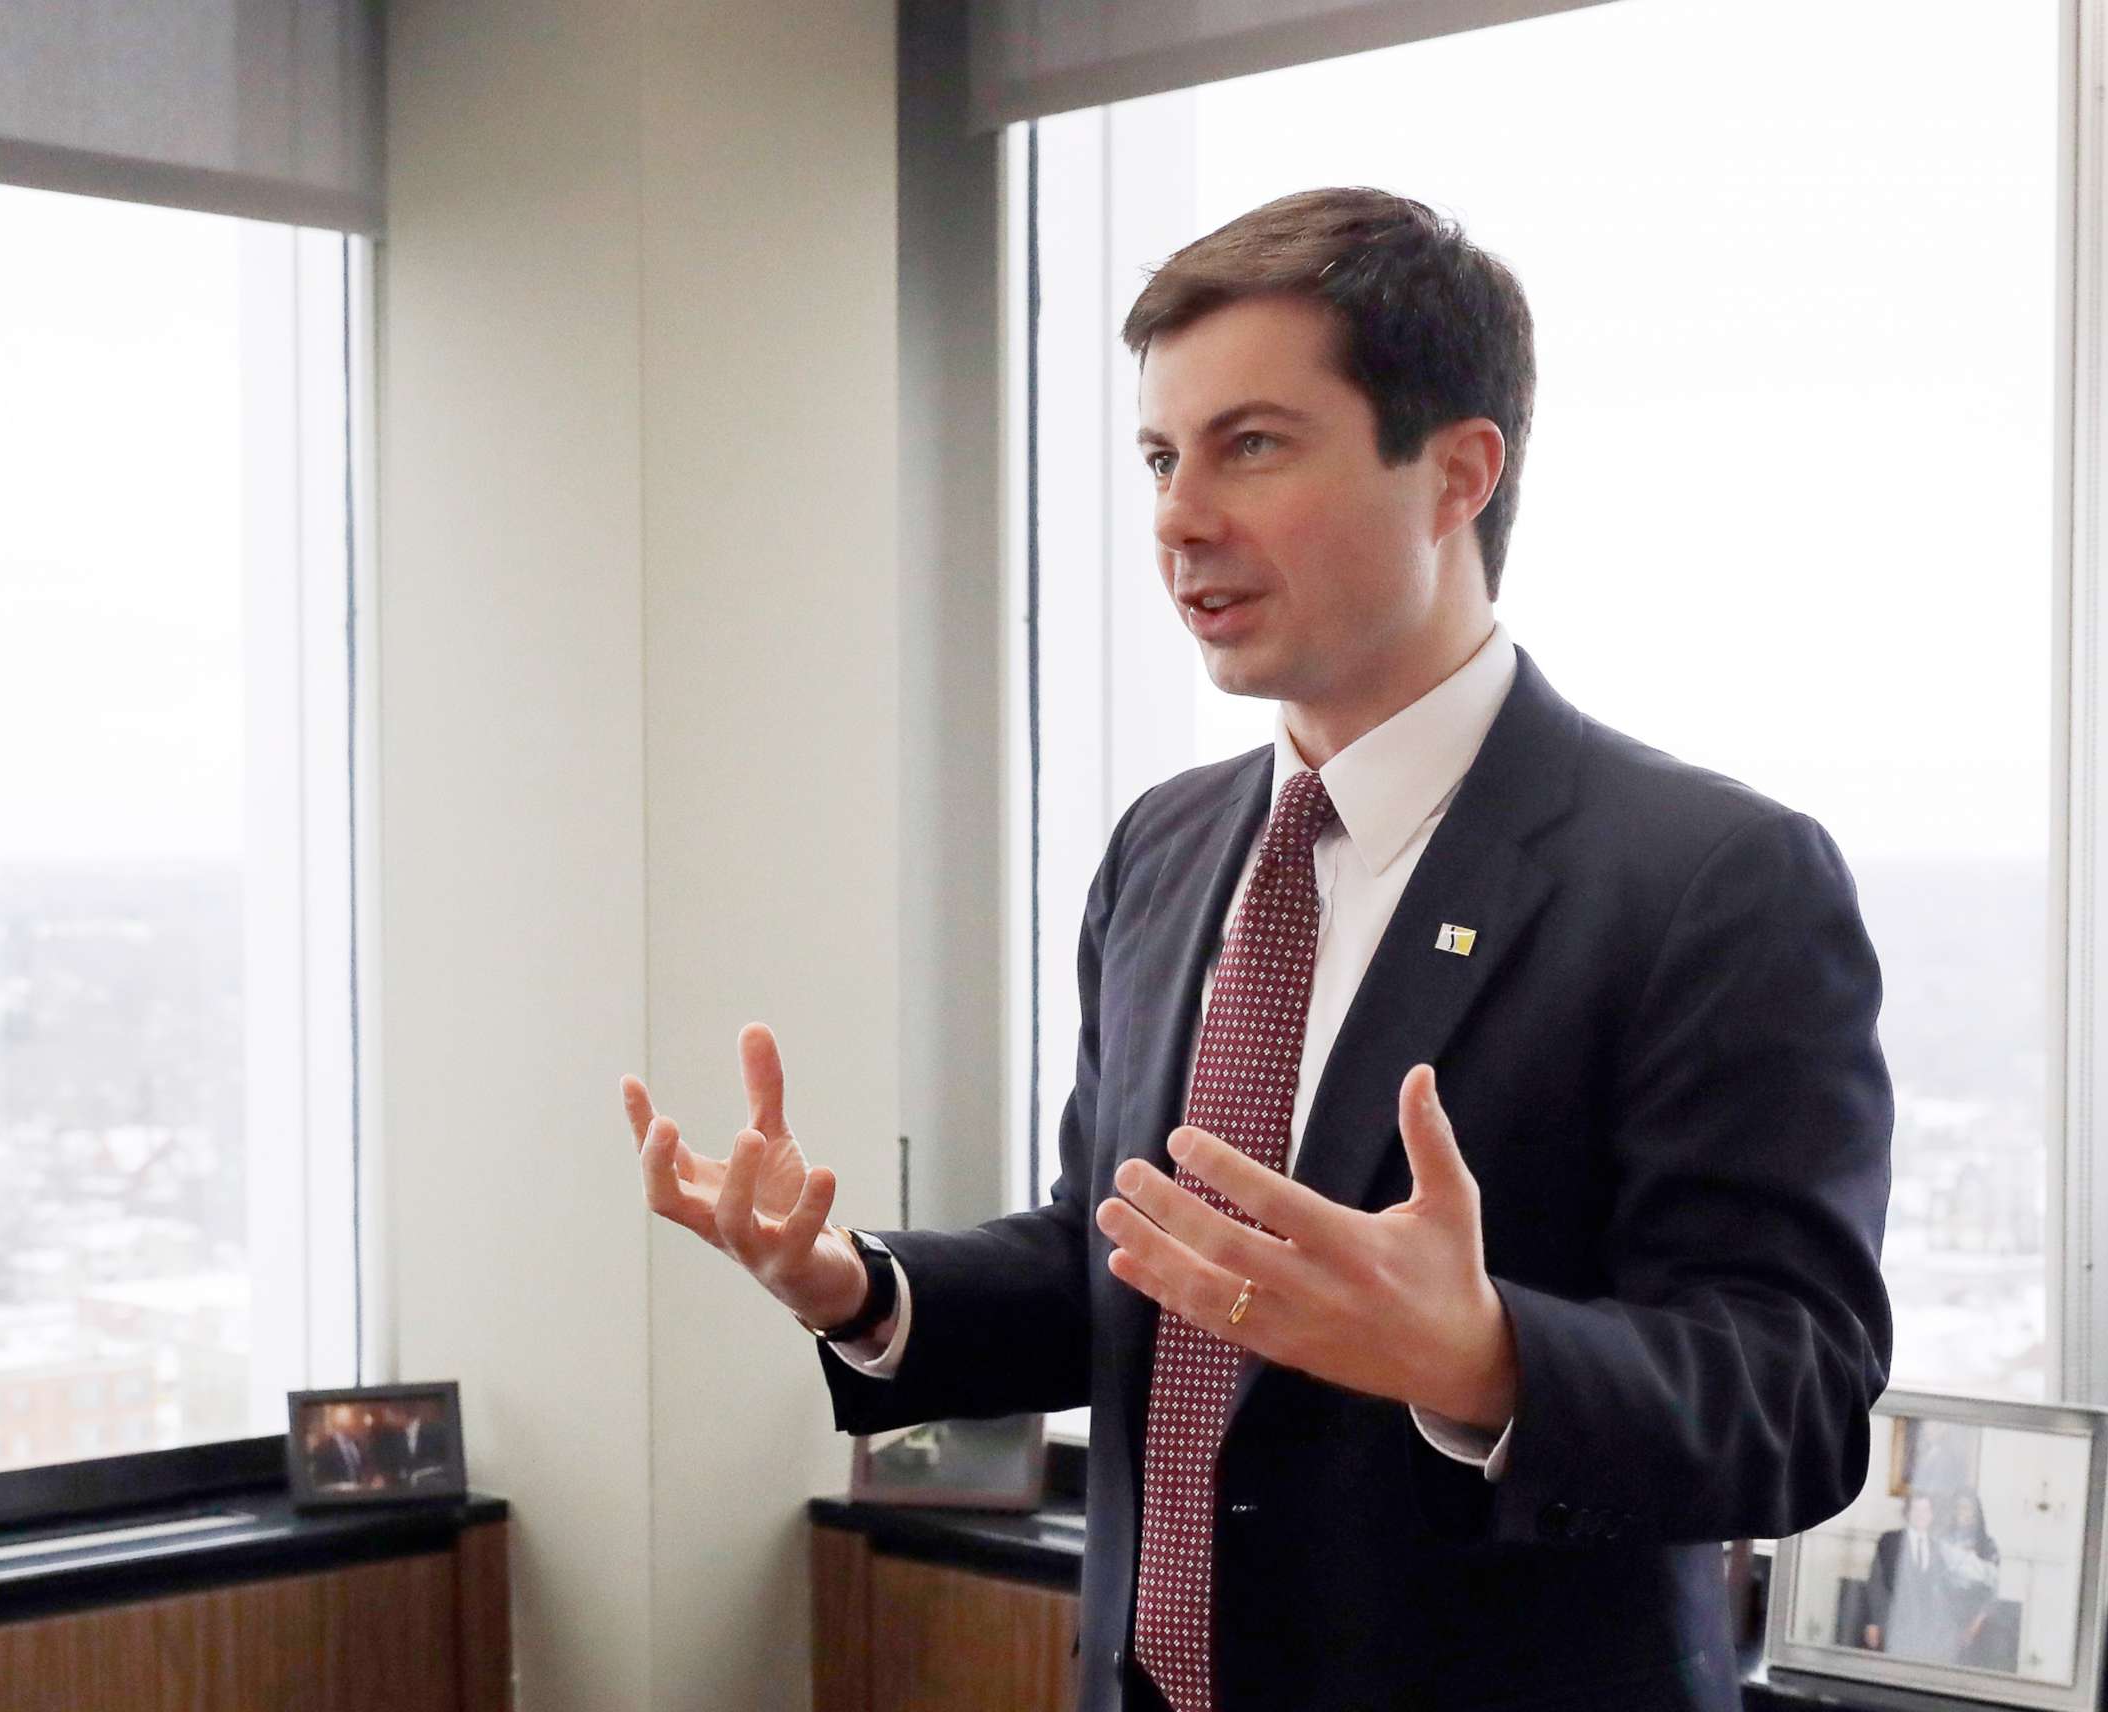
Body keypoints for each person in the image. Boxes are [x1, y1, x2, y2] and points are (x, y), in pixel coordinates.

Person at [621, 187, 1896, 1712]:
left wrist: (1485, 1355)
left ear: (1456, 473)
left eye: (1253, 446)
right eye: (1162, 458)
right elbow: (1130, 1259)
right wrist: (858, 1286)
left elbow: (1801, 1401)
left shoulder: (1713, 877)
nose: (1175, 518)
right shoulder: (1167, 848)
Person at [1864, 1493, 1959, 1661]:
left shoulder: (1938, 1548)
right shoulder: (1890, 1541)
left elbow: (1943, 1594)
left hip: (1926, 1632)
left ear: (1932, 1515)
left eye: (1926, 1510)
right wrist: (1873, 1622)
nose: (1921, 1515)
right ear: (1907, 1513)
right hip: (1893, 1625)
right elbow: (1876, 1584)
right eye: (1916, 1509)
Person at [1941, 1488, 2007, 1670]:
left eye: (1968, 1508)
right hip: (1947, 1615)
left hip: (1979, 1617)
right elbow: (1936, 1584)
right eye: (1959, 1508)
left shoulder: (1988, 1546)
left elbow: (1993, 1592)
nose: (1963, 1513)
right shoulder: (1942, 1542)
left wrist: (1974, 1625)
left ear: (1976, 1512)